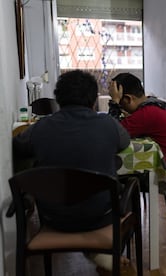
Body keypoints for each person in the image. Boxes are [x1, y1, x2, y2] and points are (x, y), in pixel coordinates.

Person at [13, 70, 132, 273]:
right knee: (130, 190)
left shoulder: (42, 127)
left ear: (58, 98)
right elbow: (124, 142)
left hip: (54, 218)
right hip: (100, 216)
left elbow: (18, 146)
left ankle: (95, 251)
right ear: (94, 99)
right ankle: (104, 250)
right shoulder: (108, 125)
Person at [108, 72, 166, 180]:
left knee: (113, 173)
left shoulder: (146, 113)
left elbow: (111, 133)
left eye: (122, 105)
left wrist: (114, 102)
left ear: (128, 99)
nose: (122, 109)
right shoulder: (152, 105)